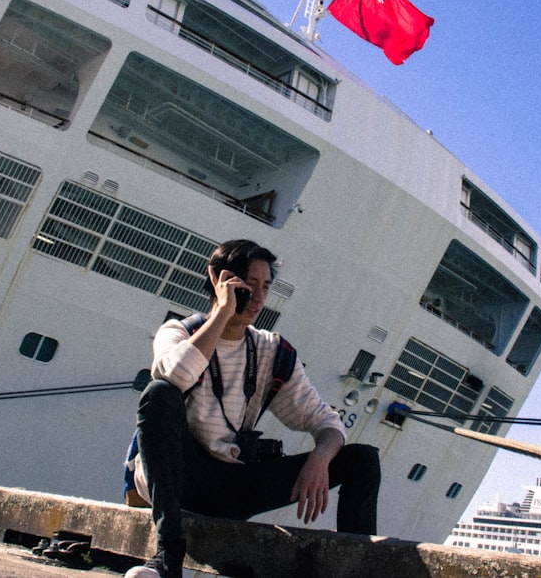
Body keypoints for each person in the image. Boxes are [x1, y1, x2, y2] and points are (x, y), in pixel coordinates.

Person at [124, 239, 381, 578]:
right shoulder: (179, 331)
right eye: (250, 285)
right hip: (180, 477)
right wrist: (221, 314)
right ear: (219, 279)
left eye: (266, 287)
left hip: (234, 481)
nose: (259, 297)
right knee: (159, 394)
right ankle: (167, 557)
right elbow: (174, 375)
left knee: (361, 459)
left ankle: (360, 573)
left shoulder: (270, 351)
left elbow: (327, 422)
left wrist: (320, 457)